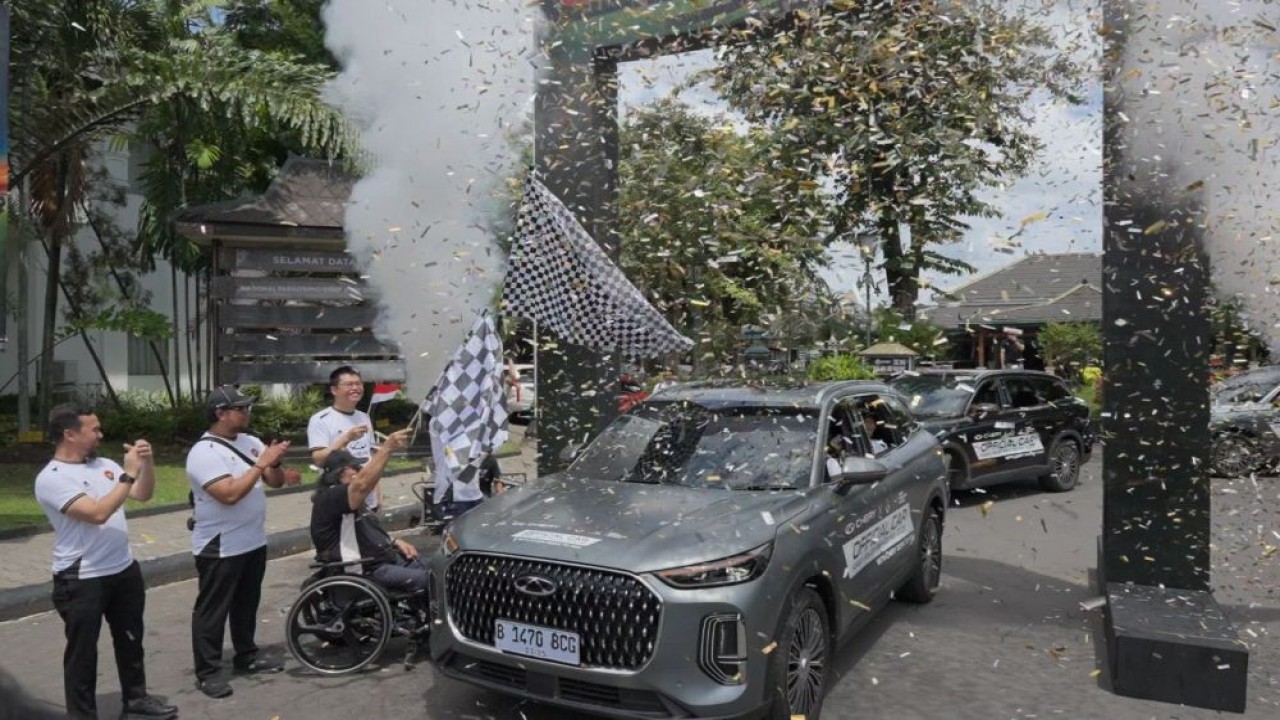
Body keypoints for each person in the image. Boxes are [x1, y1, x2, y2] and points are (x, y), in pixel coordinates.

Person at [33, 405, 180, 720]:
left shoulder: (104, 464)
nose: (101, 434)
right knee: (82, 654)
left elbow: (142, 494)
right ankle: (82, 714)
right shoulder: (51, 477)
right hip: (82, 578)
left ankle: (136, 700)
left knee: (131, 640)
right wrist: (127, 473)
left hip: (123, 569)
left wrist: (147, 463)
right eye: (94, 429)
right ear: (70, 434)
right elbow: (97, 513)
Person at [186, 385, 290, 699]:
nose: (246, 413)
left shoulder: (251, 441)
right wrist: (260, 464)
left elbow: (276, 482)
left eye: (247, 408)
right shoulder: (203, 453)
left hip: (252, 539)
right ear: (220, 413)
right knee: (213, 610)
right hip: (220, 544)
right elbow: (228, 494)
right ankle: (208, 672)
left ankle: (247, 654)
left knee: (247, 604)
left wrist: (273, 462)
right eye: (240, 409)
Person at [310, 429, 427, 595]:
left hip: (383, 559)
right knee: (428, 580)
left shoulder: (350, 499)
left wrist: (393, 541)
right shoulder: (332, 496)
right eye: (355, 468)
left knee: (438, 568)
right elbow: (362, 485)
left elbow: (365, 531)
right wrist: (387, 449)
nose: (359, 471)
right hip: (365, 569)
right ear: (339, 473)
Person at [308, 366, 381, 513]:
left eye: (358, 384)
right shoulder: (321, 420)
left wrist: (378, 493)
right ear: (334, 390)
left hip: (367, 497)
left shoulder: (364, 417)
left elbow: (370, 458)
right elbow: (318, 459)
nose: (355, 388)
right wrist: (346, 438)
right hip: (340, 498)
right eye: (349, 384)